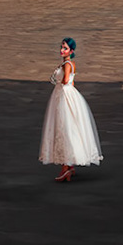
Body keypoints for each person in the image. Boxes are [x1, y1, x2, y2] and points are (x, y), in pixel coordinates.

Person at [41, 36, 102, 181]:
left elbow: (66, 81)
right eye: (61, 47)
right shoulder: (69, 63)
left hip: (63, 95)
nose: (62, 50)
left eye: (65, 48)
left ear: (71, 50)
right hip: (67, 94)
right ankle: (69, 166)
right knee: (69, 128)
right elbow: (72, 83)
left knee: (64, 128)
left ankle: (65, 167)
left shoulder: (67, 65)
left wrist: (58, 80)